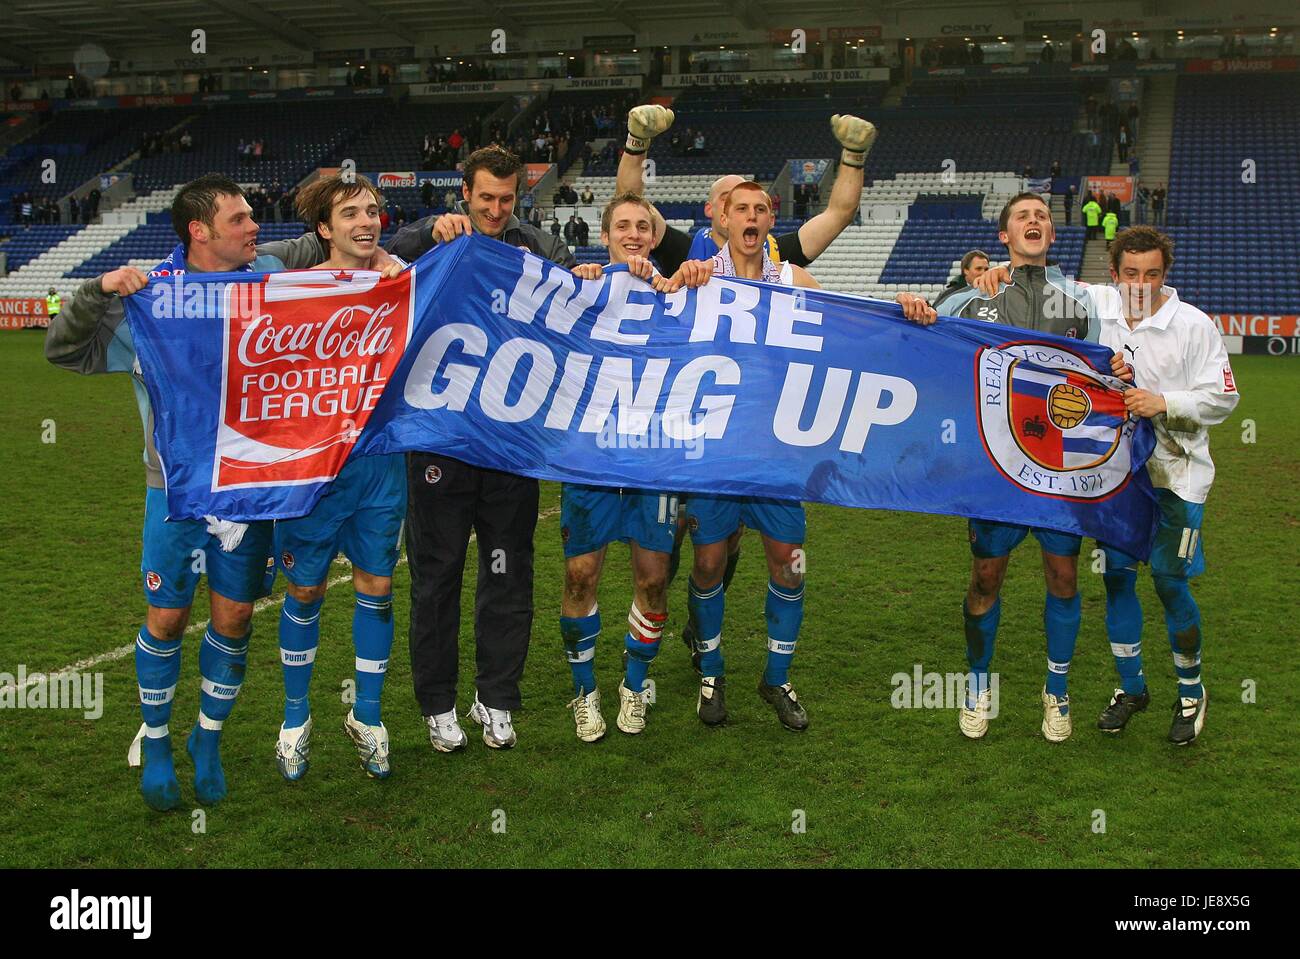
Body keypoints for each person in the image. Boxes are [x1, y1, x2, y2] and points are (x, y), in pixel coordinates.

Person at [43, 176, 331, 811]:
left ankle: (207, 738)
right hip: (173, 490)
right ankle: (155, 738)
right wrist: (97, 290)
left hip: (247, 488)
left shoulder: (270, 269)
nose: (256, 227)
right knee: (168, 617)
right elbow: (63, 351)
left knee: (232, 618)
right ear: (199, 231)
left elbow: (344, 245)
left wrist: (427, 233)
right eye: (241, 219)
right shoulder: (150, 299)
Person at [899, 193, 1121, 743]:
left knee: (1064, 577)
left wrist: (1119, 370)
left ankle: (1057, 691)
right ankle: (978, 685)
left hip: (1057, 469)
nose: (1034, 221)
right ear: (1004, 236)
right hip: (994, 469)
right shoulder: (972, 298)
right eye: (1022, 216)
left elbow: (1102, 377)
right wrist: (911, 303)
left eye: (1042, 215)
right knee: (985, 576)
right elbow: (916, 331)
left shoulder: (1080, 302)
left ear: (1051, 233)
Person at [387, 145, 575, 752]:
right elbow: (373, 264)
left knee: (507, 572)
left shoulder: (540, 248)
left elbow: (579, 303)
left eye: (506, 198)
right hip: (440, 437)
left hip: (513, 441)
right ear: (464, 192)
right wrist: (425, 235)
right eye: (485, 198)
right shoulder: (433, 237)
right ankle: (437, 704)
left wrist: (589, 279)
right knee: (436, 576)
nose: (495, 210)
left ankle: (495, 697)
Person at [559, 193, 711, 740]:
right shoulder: (583, 290)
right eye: (622, 225)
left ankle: (632, 686)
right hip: (591, 462)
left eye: (642, 227)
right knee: (581, 577)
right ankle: (584, 693)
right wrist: (583, 279)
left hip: (655, 462)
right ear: (606, 235)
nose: (632, 234)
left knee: (652, 580)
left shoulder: (677, 292)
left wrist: (691, 274)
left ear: (654, 235)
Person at [272, 174, 408, 782]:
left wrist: (396, 270)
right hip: (314, 467)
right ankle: (295, 720)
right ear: (324, 229)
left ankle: (369, 717)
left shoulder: (398, 283)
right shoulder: (293, 290)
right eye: (350, 212)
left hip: (381, 462)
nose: (366, 221)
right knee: (305, 591)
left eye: (373, 211)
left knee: (377, 586)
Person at [674, 182, 823, 730]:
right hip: (715, 451)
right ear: (723, 218)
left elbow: (852, 325)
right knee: (710, 563)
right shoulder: (699, 274)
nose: (752, 216)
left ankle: (777, 677)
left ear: (769, 220)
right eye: (742, 209)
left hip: (777, 453)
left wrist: (906, 308)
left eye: (762, 209)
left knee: (789, 562)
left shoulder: (792, 279)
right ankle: (710, 670)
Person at [1097, 226, 1239, 744]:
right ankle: (1132, 688)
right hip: (1116, 477)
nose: (1140, 284)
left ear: (1164, 275)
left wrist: (1164, 402)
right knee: (1115, 576)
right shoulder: (1098, 316)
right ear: (1114, 274)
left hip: (1178, 476)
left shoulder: (1194, 326)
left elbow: (1223, 399)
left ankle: (1191, 691)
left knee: (1168, 581)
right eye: (1130, 273)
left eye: (1152, 274)